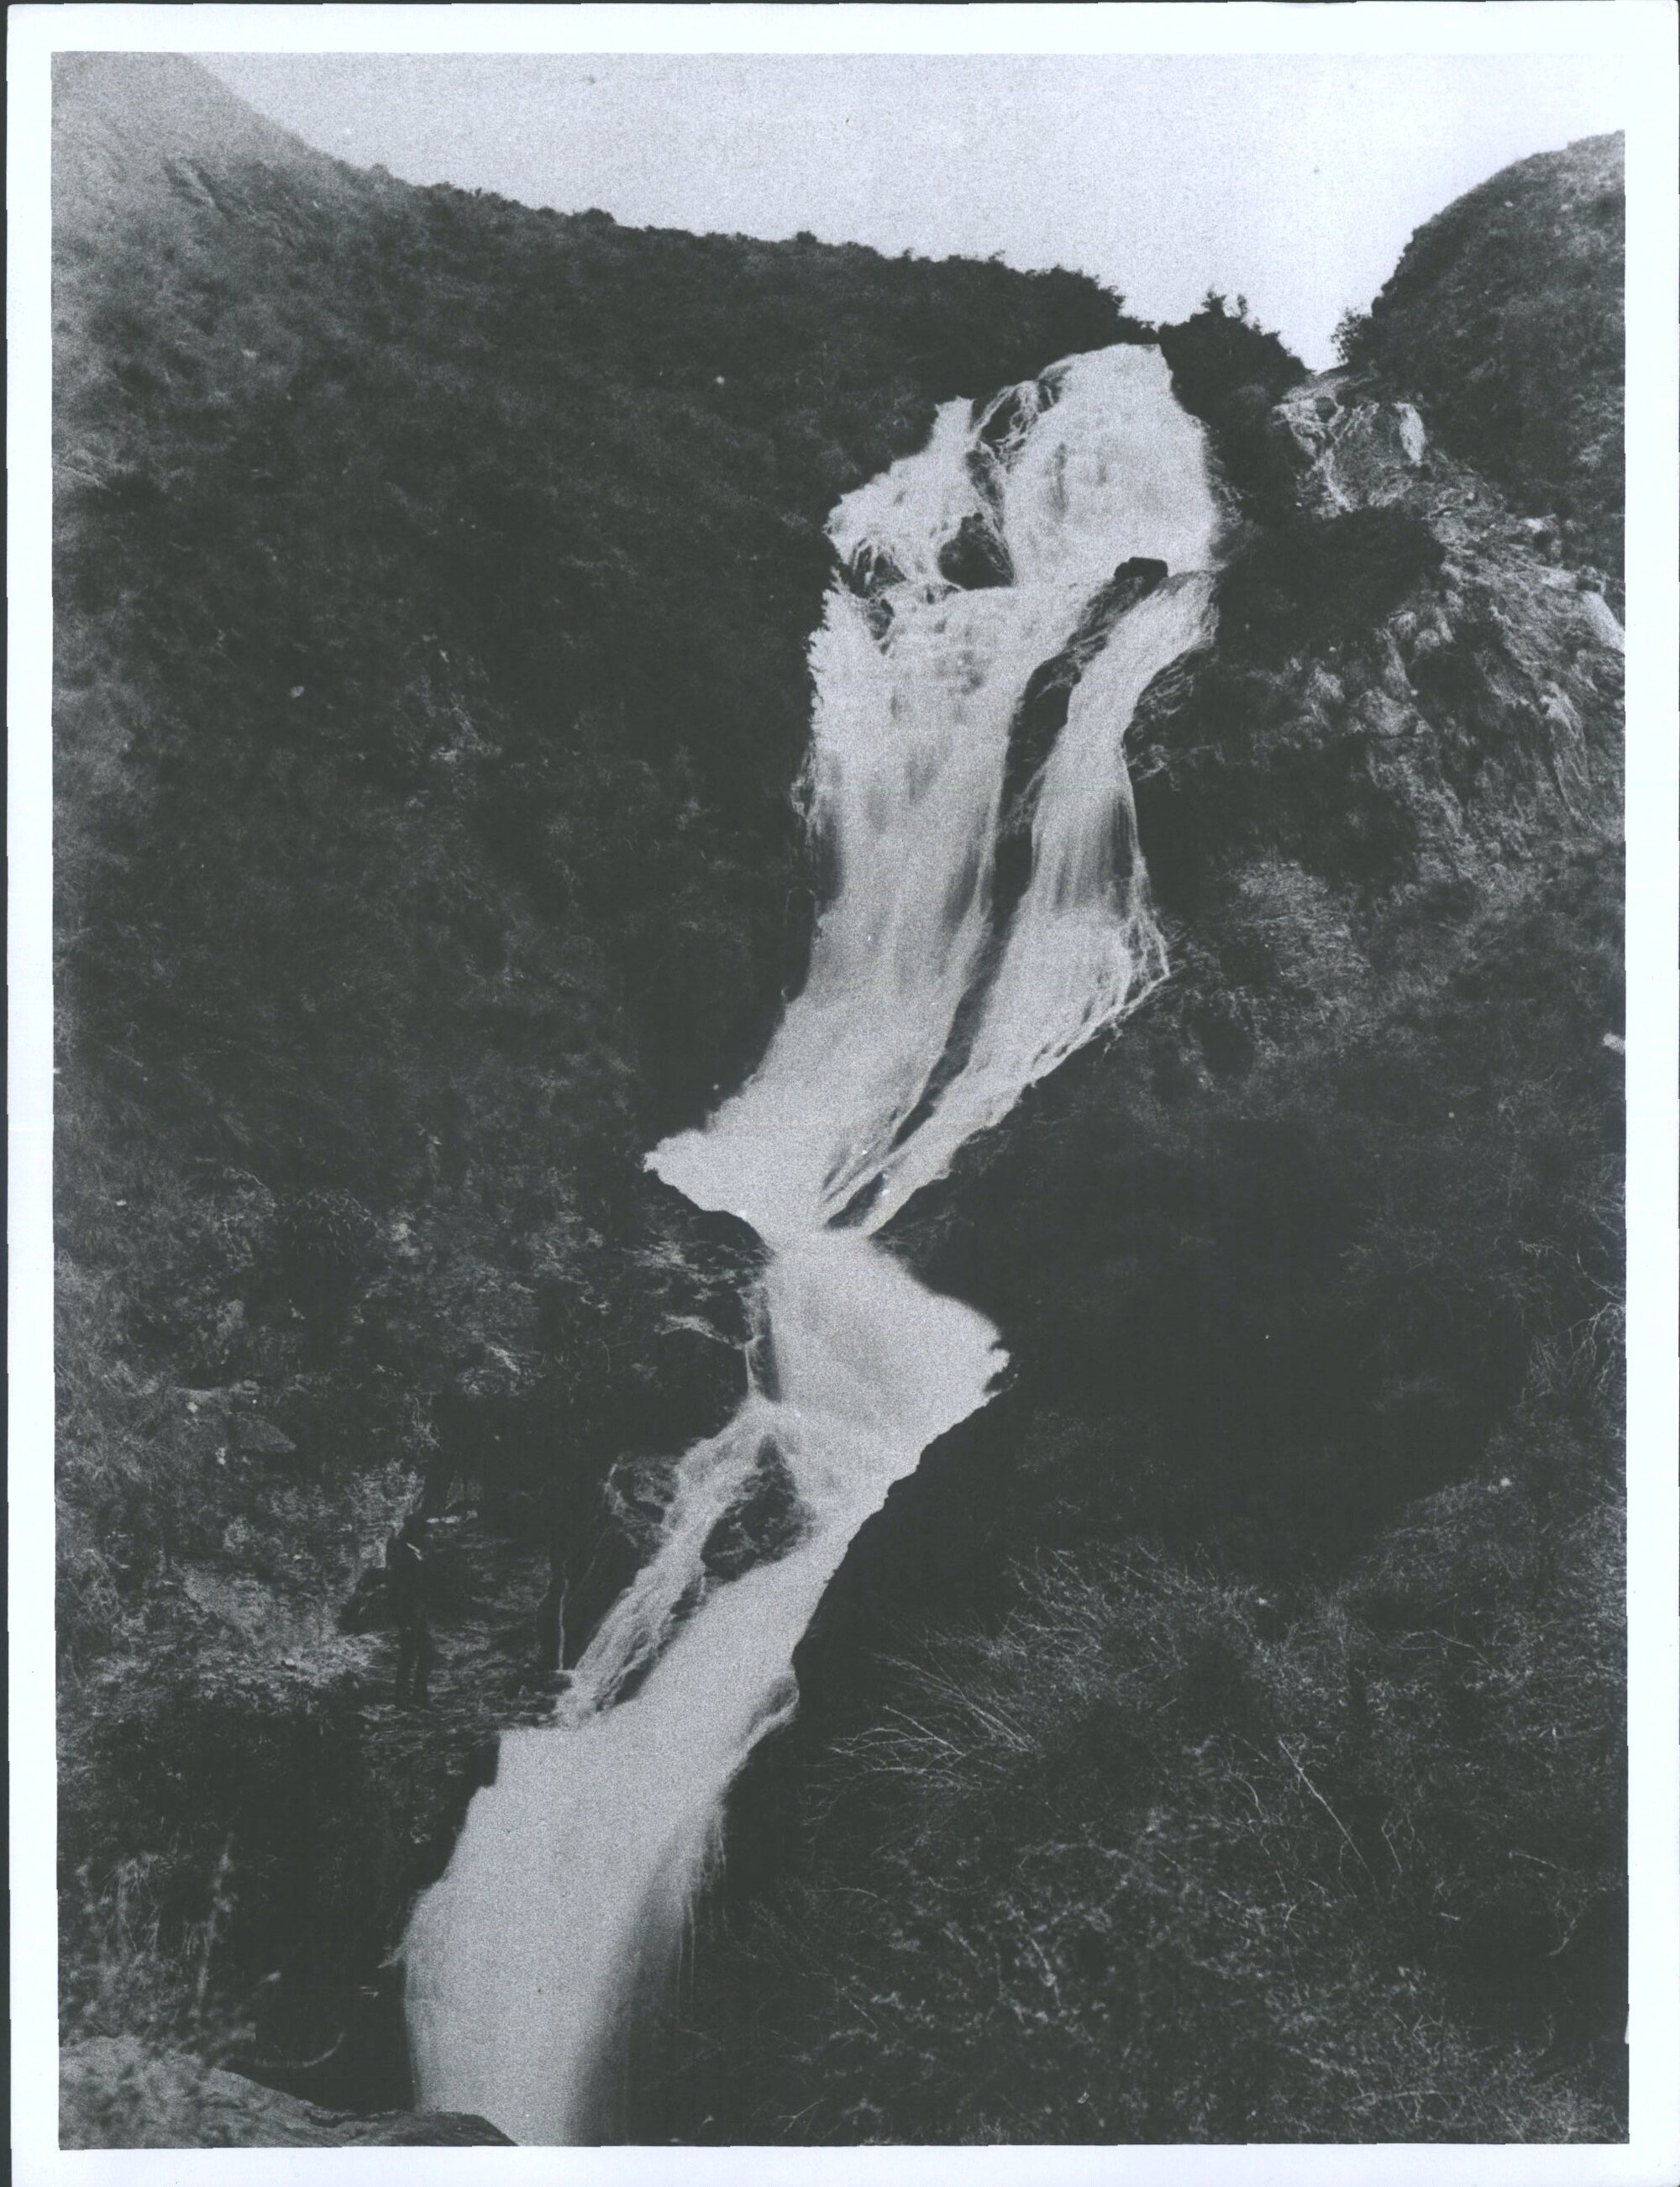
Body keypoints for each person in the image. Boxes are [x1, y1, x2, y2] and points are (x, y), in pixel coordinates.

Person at [386, 1512, 433, 1706]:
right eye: (423, 1533)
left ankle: (418, 1695)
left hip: (417, 1608)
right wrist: (403, 1619)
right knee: (409, 1653)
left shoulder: (411, 1551)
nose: (426, 1536)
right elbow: (397, 1588)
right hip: (408, 1609)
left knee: (425, 1651)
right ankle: (403, 1697)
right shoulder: (402, 1553)